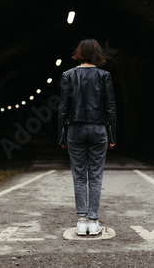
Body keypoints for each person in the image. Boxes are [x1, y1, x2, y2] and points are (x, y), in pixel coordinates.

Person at [57, 39, 117, 236]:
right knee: (96, 175)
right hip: (99, 129)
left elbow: (63, 108)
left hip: (75, 129)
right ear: (97, 54)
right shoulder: (104, 76)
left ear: (79, 53)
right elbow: (110, 108)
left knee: (79, 175)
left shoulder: (68, 75)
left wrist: (61, 136)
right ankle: (94, 220)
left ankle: (81, 222)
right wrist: (112, 135)